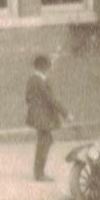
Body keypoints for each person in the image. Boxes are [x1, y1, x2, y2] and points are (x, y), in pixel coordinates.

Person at [25, 54, 68, 182]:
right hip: (43, 117)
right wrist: (65, 113)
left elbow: (27, 98)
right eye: (48, 67)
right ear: (43, 67)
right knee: (44, 143)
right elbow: (51, 99)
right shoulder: (40, 81)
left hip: (38, 117)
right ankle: (39, 174)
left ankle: (38, 172)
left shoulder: (32, 80)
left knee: (45, 142)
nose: (49, 69)